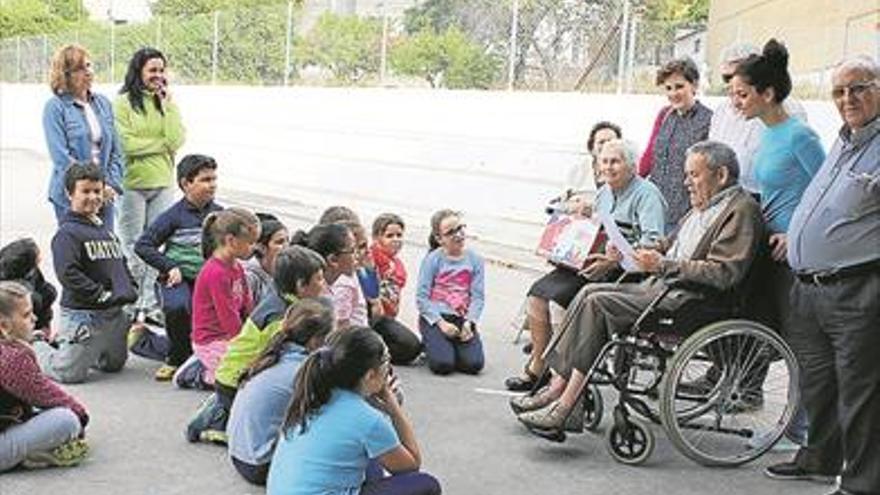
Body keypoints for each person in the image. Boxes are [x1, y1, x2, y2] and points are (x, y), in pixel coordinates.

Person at [513, 141, 764, 433]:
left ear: (720, 175)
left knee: (597, 302)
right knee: (587, 293)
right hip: (665, 287)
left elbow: (724, 272)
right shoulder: (705, 206)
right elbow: (670, 243)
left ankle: (566, 403)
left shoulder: (740, 210)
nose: (686, 183)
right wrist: (635, 253)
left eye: (694, 175)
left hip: (691, 300)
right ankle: (559, 386)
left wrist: (660, 264)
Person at [764, 56, 879, 495]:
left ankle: (863, 483)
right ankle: (820, 457)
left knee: (860, 392)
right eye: (839, 91)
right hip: (809, 286)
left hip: (855, 289)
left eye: (859, 87)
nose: (847, 99)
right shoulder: (845, 140)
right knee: (818, 382)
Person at [505, 139, 667, 391]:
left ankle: (563, 375)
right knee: (537, 294)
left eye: (616, 161)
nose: (608, 167)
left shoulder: (647, 195)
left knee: (559, 302)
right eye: (604, 161)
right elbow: (594, 230)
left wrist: (617, 259)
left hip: (626, 271)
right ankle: (539, 366)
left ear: (632, 166)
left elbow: (653, 245)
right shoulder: (604, 192)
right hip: (596, 261)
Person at [729, 39, 824, 445]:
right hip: (768, 248)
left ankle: (798, 431)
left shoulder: (799, 135)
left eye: (743, 94)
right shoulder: (765, 134)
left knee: (800, 342)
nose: (736, 102)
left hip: (795, 255)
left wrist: (794, 232)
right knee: (773, 334)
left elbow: (825, 191)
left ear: (767, 94)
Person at [267, 327, 441, 495]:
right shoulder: (368, 419)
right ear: (370, 375)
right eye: (387, 361)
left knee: (372, 456)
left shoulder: (314, 395)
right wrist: (392, 404)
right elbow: (411, 465)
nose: (389, 370)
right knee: (427, 484)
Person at [186, 246, 327, 445]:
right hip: (235, 380)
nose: (324, 284)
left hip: (233, 373)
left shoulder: (281, 298)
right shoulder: (281, 320)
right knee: (244, 433)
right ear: (301, 285)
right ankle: (213, 420)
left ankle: (222, 408)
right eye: (319, 279)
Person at [34, 164, 138, 384]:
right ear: (69, 193)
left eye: (97, 191)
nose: (93, 197)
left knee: (113, 365)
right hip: (83, 315)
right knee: (69, 374)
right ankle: (37, 345)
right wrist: (100, 295)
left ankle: (83, 350)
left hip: (112, 313)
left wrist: (130, 286)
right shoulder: (67, 233)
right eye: (86, 191)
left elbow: (120, 264)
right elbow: (68, 274)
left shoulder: (106, 231)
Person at [131, 154, 223, 380]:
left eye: (214, 179)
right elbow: (143, 245)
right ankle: (173, 358)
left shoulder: (221, 214)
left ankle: (151, 340)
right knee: (178, 308)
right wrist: (169, 266)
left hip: (208, 281)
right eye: (205, 180)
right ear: (185, 184)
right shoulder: (173, 216)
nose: (212, 185)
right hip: (177, 280)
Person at [227, 298, 335, 485]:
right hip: (261, 465)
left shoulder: (274, 355)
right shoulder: (303, 369)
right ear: (315, 341)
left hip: (239, 456)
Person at [114, 47, 186, 327]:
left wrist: (167, 106)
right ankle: (134, 302)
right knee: (133, 245)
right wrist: (160, 145)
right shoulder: (122, 103)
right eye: (151, 70)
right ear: (139, 72)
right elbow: (126, 145)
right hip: (132, 184)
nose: (157, 75)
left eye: (160, 70)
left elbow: (176, 138)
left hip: (162, 183)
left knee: (156, 246)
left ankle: (150, 302)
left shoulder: (166, 102)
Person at [0, 281, 90, 472]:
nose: (33, 318)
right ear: (4, 326)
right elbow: (47, 394)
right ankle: (24, 456)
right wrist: (80, 416)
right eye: (26, 315)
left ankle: (26, 453)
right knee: (66, 420)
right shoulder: (12, 358)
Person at [173, 208, 259, 389]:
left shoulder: (237, 266)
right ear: (231, 241)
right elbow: (227, 315)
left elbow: (246, 303)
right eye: (250, 243)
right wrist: (243, 344)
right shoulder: (216, 272)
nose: (254, 247)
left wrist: (255, 331)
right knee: (239, 379)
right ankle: (196, 373)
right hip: (211, 339)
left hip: (229, 337)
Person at [708, 42, 808, 195]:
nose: (732, 84)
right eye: (726, 78)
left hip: (769, 199)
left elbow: (809, 175)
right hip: (728, 198)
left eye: (737, 76)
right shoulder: (722, 112)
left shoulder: (787, 110)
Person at [43, 44, 125, 230]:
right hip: (71, 196)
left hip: (104, 193)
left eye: (89, 66)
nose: (88, 72)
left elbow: (116, 151)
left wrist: (109, 186)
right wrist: (88, 189)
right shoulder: (55, 107)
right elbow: (61, 158)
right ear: (65, 74)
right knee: (76, 251)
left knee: (106, 251)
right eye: (80, 68)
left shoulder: (103, 103)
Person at [645, 58, 713, 229]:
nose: (673, 93)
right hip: (654, 209)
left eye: (679, 86)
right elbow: (649, 155)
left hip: (685, 213)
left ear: (694, 85)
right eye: (668, 88)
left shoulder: (709, 120)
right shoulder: (665, 115)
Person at [416, 210, 485, 375]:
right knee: (443, 365)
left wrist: (470, 322)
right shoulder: (433, 259)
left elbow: (478, 297)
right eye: (451, 232)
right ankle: (432, 343)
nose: (459, 235)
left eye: (460, 228)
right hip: (436, 318)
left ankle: (449, 347)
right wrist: (441, 323)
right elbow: (421, 297)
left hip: (461, 318)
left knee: (474, 365)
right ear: (440, 239)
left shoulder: (475, 260)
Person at [369, 213, 422, 365]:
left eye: (399, 235)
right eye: (389, 235)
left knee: (413, 346)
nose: (396, 240)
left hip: (388, 317)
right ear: (376, 237)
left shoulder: (397, 264)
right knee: (411, 347)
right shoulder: (371, 256)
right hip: (373, 317)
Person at [0, 238, 57, 333]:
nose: (40, 258)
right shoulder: (14, 288)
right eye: (37, 256)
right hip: (27, 331)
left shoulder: (33, 271)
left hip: (41, 323)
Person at [563, 121, 622, 196]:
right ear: (592, 147)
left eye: (611, 141)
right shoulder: (577, 170)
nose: (607, 145)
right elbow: (566, 199)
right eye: (601, 142)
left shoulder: (627, 174)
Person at [244, 213, 289, 303]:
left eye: (288, 240)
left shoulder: (279, 272)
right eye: (279, 242)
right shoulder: (249, 277)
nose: (286, 246)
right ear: (262, 247)